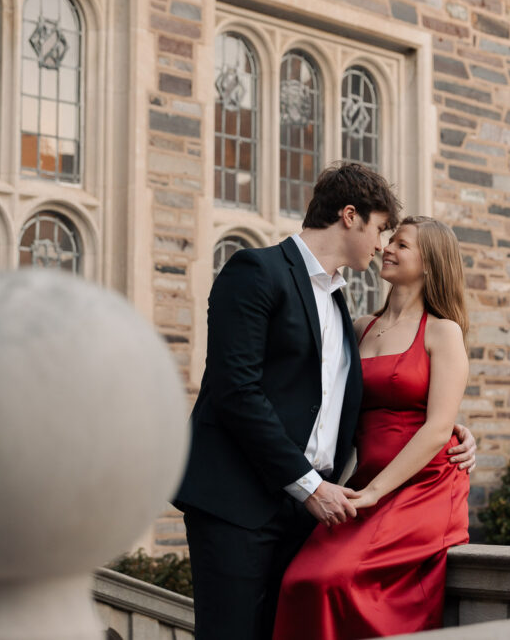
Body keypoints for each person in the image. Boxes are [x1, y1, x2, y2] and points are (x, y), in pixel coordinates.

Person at [172, 164, 476, 640]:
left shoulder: (338, 303)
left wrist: (454, 431)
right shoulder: (257, 271)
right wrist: (310, 486)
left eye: (395, 239)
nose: (382, 245)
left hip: (310, 510)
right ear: (350, 217)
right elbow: (236, 392)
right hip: (241, 502)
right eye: (380, 230)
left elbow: (366, 403)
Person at [272, 215, 471, 640]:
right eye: (389, 240)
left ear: (432, 263)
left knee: (332, 580)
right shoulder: (359, 327)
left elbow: (437, 427)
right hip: (363, 484)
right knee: (297, 579)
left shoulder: (443, 331)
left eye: (402, 244)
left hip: (424, 487)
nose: (387, 248)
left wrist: (378, 491)